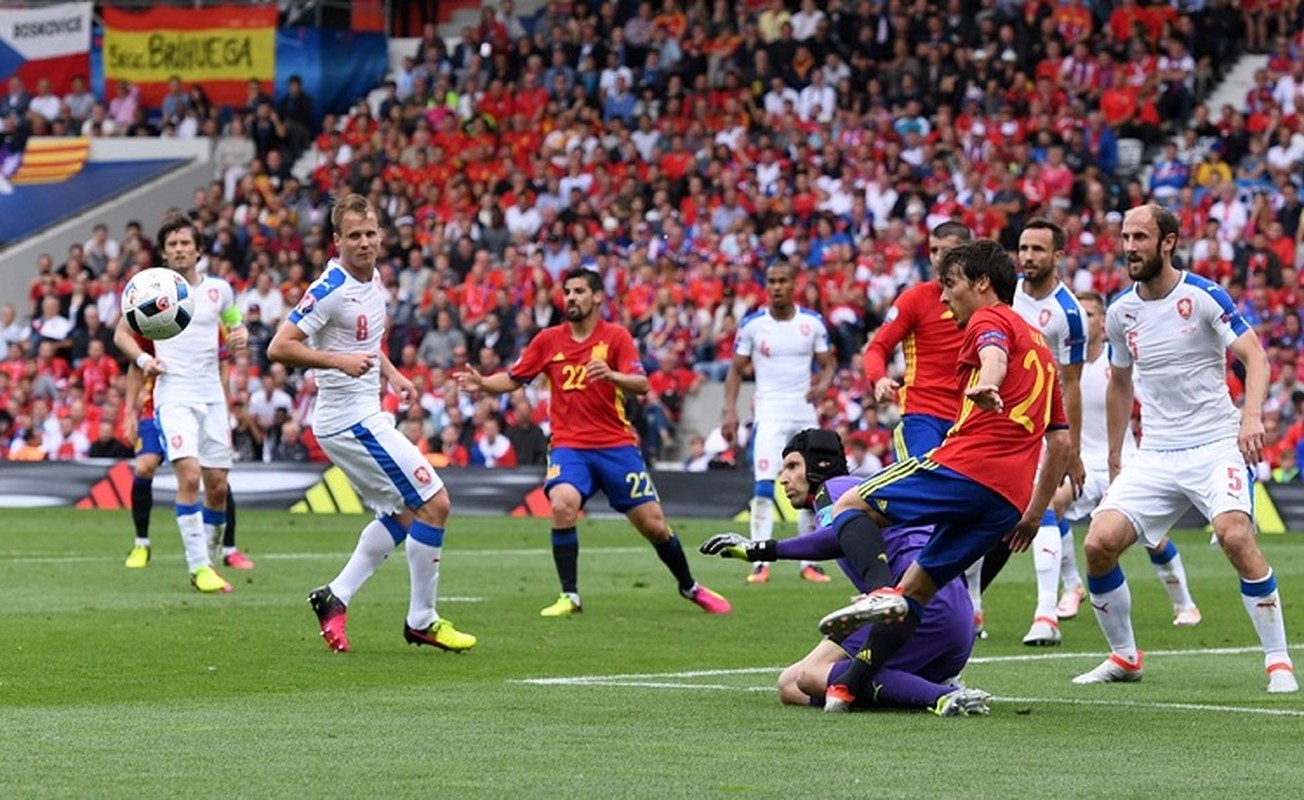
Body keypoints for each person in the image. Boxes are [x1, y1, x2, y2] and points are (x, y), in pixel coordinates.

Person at [815, 239, 1071, 712]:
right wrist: (1033, 514)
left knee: (847, 506)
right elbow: (1060, 442)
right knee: (917, 591)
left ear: (982, 284)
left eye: (950, 285)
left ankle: (875, 593)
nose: (944, 297)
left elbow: (991, 354)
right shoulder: (1039, 344)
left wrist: (988, 382)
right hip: (1008, 502)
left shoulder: (988, 319)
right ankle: (848, 686)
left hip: (966, 467)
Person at [1074, 204, 1295, 693]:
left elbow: (1254, 356)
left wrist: (1251, 416)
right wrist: (1116, 454)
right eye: (1125, 237)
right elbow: (1119, 383)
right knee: (1098, 544)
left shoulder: (1202, 296)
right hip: (1155, 454)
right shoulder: (1119, 312)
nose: (1129, 247)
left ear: (1168, 241)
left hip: (1215, 444)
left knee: (1236, 538)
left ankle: (1278, 661)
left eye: (1139, 237)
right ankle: (1125, 657)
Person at [268, 194, 476, 654]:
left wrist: (395, 375)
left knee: (404, 512)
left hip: (365, 415)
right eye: (354, 236)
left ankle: (334, 597)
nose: (364, 243)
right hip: (348, 422)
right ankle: (422, 619)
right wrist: (334, 361)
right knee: (435, 503)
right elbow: (279, 346)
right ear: (337, 241)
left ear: (380, 235)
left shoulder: (373, 278)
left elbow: (366, 340)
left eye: (370, 234)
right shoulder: (329, 289)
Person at [457, 267, 730, 617]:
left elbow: (642, 384)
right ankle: (569, 595)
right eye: (567, 291)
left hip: (616, 445)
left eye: (579, 291)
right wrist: (482, 384)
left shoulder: (615, 337)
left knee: (654, 525)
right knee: (562, 504)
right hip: (570, 446)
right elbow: (512, 380)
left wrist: (611, 374)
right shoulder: (548, 341)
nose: (571, 297)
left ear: (597, 297)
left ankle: (689, 586)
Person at [699, 429, 992, 716]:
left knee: (810, 676)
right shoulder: (866, 490)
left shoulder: (836, 490)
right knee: (790, 685)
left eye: (792, 466)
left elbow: (835, 537)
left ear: (820, 465)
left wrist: (762, 548)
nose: (784, 478)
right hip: (954, 622)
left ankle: (941, 696)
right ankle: (913, 688)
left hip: (918, 610)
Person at [113, 213, 248, 594]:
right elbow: (121, 334)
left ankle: (209, 555)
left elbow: (236, 326)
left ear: (198, 250)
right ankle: (198, 566)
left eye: (185, 243)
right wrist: (144, 361)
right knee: (189, 476)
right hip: (173, 394)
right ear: (163, 252)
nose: (179, 249)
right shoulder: (154, 290)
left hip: (212, 398)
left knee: (218, 486)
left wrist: (240, 335)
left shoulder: (220, 290)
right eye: (171, 244)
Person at [970, 218, 1087, 647]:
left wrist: (1070, 447)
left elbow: (1070, 383)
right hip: (999, 422)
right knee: (974, 511)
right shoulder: (1006, 295)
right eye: (1024, 248)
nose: (1029, 257)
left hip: (1042, 425)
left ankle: (1045, 614)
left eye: (1039, 249)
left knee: (1047, 510)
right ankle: (972, 610)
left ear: (1058, 255)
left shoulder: (1069, 313)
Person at [1054, 292, 1200, 625]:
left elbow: (1152, 396)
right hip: (1083, 464)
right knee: (1052, 506)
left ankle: (1185, 603)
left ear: (1103, 322)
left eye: (1090, 314)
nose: (1083, 320)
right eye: (1079, 314)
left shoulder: (1116, 361)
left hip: (1125, 459)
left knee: (1153, 538)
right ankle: (1072, 585)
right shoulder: (1065, 367)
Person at [722, 261, 836, 584]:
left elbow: (828, 363)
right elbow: (734, 371)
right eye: (771, 281)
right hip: (769, 414)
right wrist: (729, 411)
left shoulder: (812, 323)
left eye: (782, 281)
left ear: (794, 284)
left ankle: (808, 563)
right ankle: (759, 563)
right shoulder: (753, 325)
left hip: (803, 413)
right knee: (762, 486)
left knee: (811, 486)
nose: (776, 287)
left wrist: (824, 384)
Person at [121, 331, 253, 571]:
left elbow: (222, 367)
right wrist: (129, 413)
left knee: (216, 478)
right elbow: (134, 366)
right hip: (157, 408)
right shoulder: (159, 320)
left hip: (204, 405)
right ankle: (141, 543)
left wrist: (223, 411)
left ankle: (229, 549)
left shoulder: (209, 317)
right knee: (145, 466)